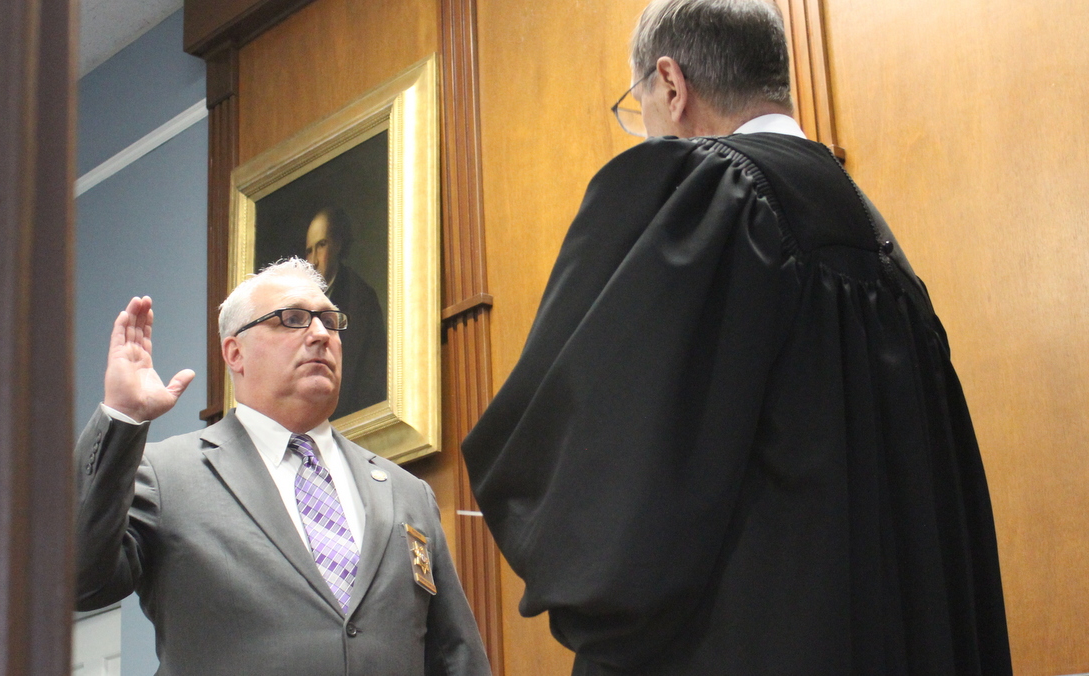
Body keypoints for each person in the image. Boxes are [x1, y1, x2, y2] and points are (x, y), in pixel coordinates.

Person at [461, 1, 1012, 675]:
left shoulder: (712, 196)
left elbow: (598, 501)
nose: (646, 129)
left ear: (671, 84)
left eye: (639, 106)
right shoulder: (883, 248)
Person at [75, 258, 490, 676]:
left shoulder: (406, 492)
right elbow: (81, 581)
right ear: (235, 353)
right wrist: (123, 416)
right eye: (292, 319)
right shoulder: (167, 475)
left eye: (330, 321)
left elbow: (455, 656)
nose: (320, 334)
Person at [305, 206, 387, 418]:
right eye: (309, 250)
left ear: (338, 245)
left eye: (321, 245)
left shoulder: (360, 299)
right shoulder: (299, 301)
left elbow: (369, 380)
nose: (313, 261)